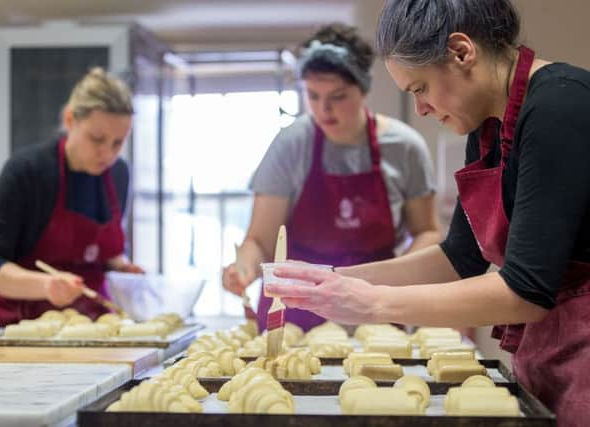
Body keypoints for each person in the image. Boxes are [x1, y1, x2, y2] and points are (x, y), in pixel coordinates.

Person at [265, 1, 590, 424]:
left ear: (461, 52)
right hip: (551, 353)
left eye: (419, 88)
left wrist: (372, 303)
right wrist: (333, 279)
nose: (419, 109)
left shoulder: (560, 106)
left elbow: (525, 291)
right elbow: (459, 257)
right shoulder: (488, 129)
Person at [222, 23, 441, 332]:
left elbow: (427, 232)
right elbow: (260, 240)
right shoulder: (290, 145)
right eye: (313, 95)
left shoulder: (405, 147)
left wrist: (396, 278)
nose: (324, 110)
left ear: (363, 89)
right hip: (295, 316)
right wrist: (243, 268)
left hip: (375, 312)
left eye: (338, 97)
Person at [0, 68, 144, 327]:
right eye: (97, 139)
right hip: (19, 326)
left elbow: (106, 253)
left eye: (118, 143)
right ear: (70, 120)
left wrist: (121, 268)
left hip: (92, 326)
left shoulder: (119, 173)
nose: (107, 154)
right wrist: (46, 286)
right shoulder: (27, 171)